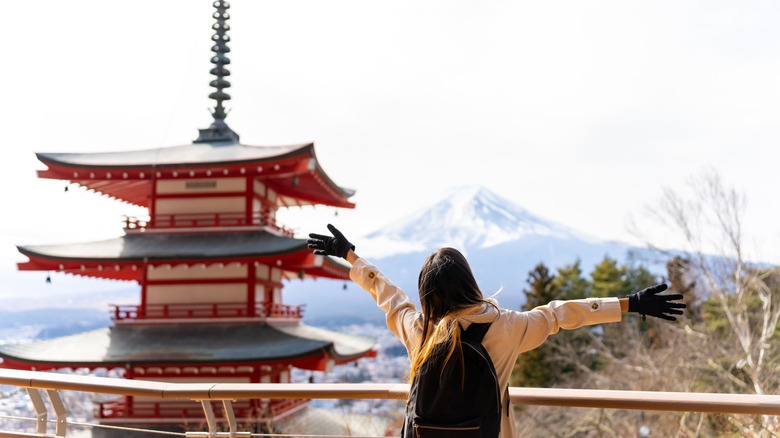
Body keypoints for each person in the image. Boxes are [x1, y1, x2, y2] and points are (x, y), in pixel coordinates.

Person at [307, 224, 686, 437]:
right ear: (469, 282)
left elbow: (390, 296)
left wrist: (351, 256)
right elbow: (560, 314)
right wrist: (629, 303)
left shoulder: (421, 332)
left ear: (428, 292)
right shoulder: (507, 327)